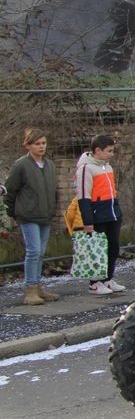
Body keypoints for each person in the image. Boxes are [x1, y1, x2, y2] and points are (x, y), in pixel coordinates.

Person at [4, 128, 60, 305]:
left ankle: (37, 286)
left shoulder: (50, 165)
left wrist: (53, 208)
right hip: (28, 215)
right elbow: (10, 190)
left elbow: (54, 190)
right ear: (28, 145)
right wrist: (13, 212)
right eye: (37, 144)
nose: (41, 147)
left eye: (43, 143)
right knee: (33, 251)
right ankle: (30, 290)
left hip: (45, 215)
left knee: (41, 252)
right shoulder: (21, 165)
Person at [76, 134, 125, 295]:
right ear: (98, 150)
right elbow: (83, 195)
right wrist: (88, 220)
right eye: (109, 151)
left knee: (113, 247)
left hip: (112, 213)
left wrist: (117, 211)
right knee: (98, 249)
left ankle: (107, 278)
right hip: (98, 214)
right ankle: (94, 282)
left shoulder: (107, 167)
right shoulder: (86, 169)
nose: (112, 154)